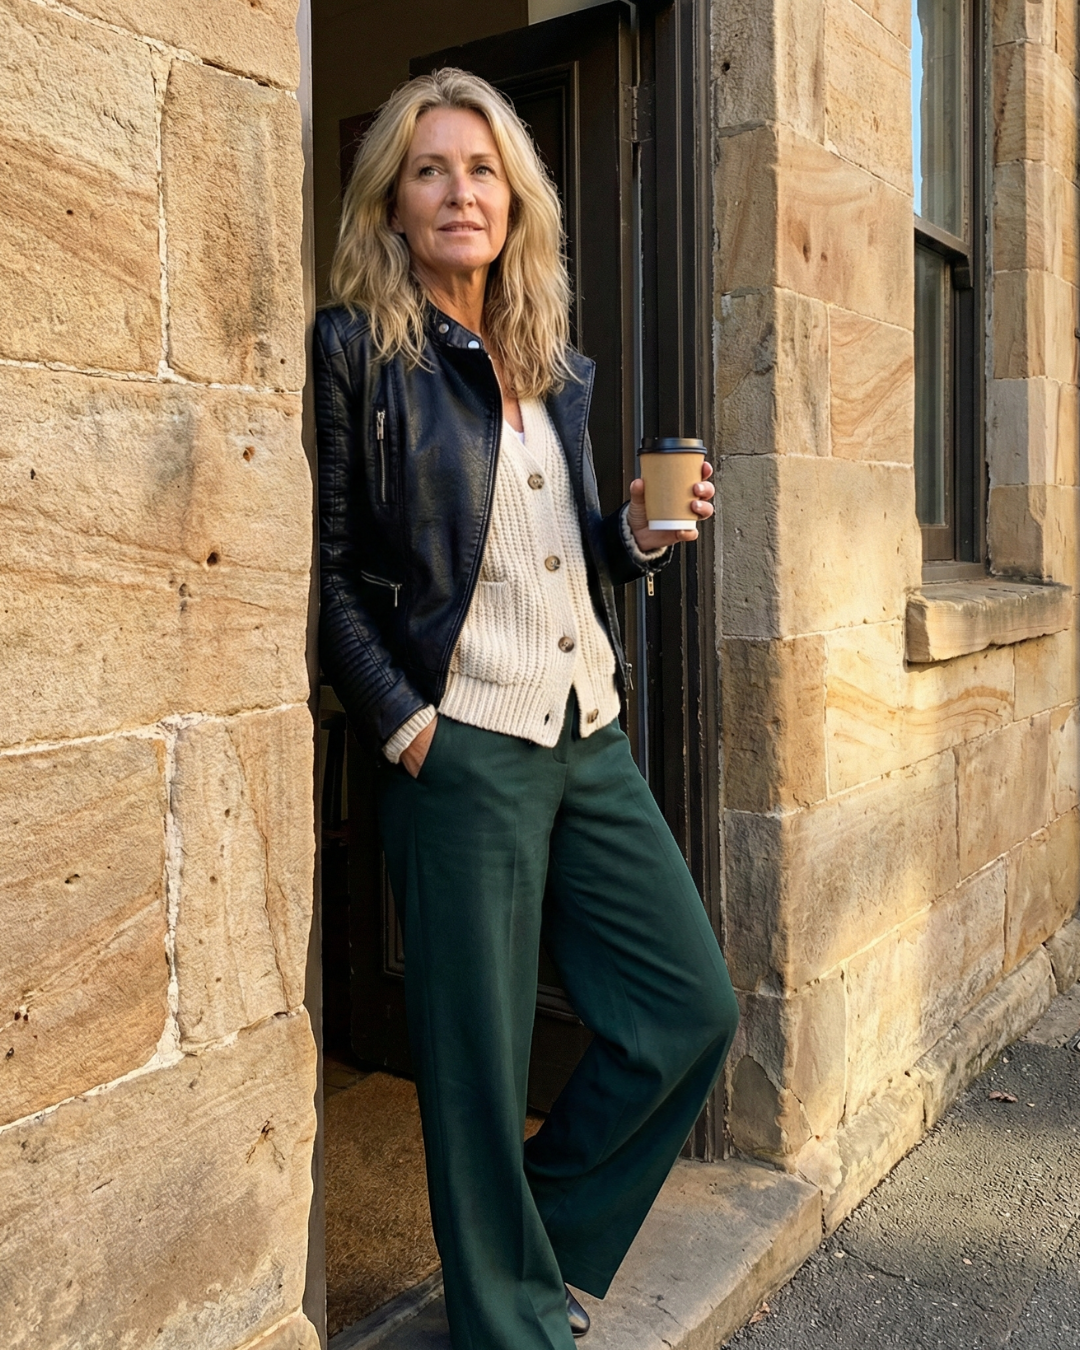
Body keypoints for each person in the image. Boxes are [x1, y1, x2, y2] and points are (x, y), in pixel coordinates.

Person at [315, 67, 739, 1350]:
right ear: (393, 201)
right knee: (477, 1068)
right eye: (431, 169)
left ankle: (523, 1244)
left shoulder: (547, 359)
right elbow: (326, 570)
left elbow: (552, 551)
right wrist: (401, 722)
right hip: (461, 745)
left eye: (482, 169)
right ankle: (513, 1323)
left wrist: (639, 536)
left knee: (688, 1008)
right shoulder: (359, 352)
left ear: (516, 200)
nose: (459, 191)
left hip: (585, 728)